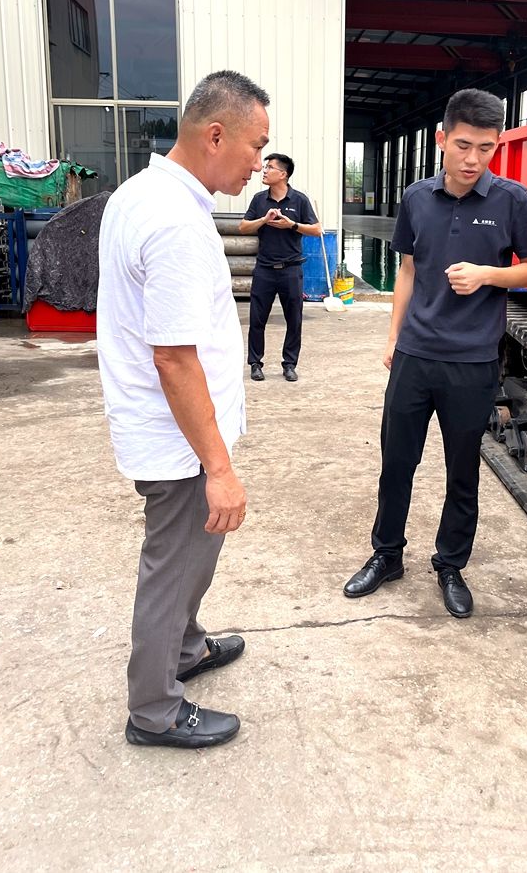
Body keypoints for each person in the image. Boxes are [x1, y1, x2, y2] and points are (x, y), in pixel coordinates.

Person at [97, 70, 270, 749]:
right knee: (173, 562)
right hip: (179, 442)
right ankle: (155, 708)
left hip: (181, 433)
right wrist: (219, 465)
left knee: (195, 556)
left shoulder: (145, 195)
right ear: (215, 134)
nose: (260, 162)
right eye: (256, 145)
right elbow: (173, 356)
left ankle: (187, 646)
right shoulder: (171, 220)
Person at [343, 88, 527, 619]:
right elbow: (408, 270)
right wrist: (392, 337)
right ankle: (386, 556)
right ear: (441, 140)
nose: (474, 159)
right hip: (415, 355)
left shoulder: (512, 199)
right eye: (462, 146)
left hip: (474, 361)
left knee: (463, 470)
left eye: (486, 147)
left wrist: (487, 275)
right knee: (397, 464)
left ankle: (450, 564)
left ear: (497, 144)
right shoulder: (416, 198)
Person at [239, 152, 321, 381]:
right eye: (265, 167)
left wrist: (292, 225)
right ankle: (255, 363)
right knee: (257, 319)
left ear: (283, 174)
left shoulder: (299, 200)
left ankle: (289, 364)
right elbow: (244, 227)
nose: (264, 171)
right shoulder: (258, 200)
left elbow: (316, 229)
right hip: (264, 269)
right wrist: (264, 219)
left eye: (270, 167)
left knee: (294, 319)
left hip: (291, 269)